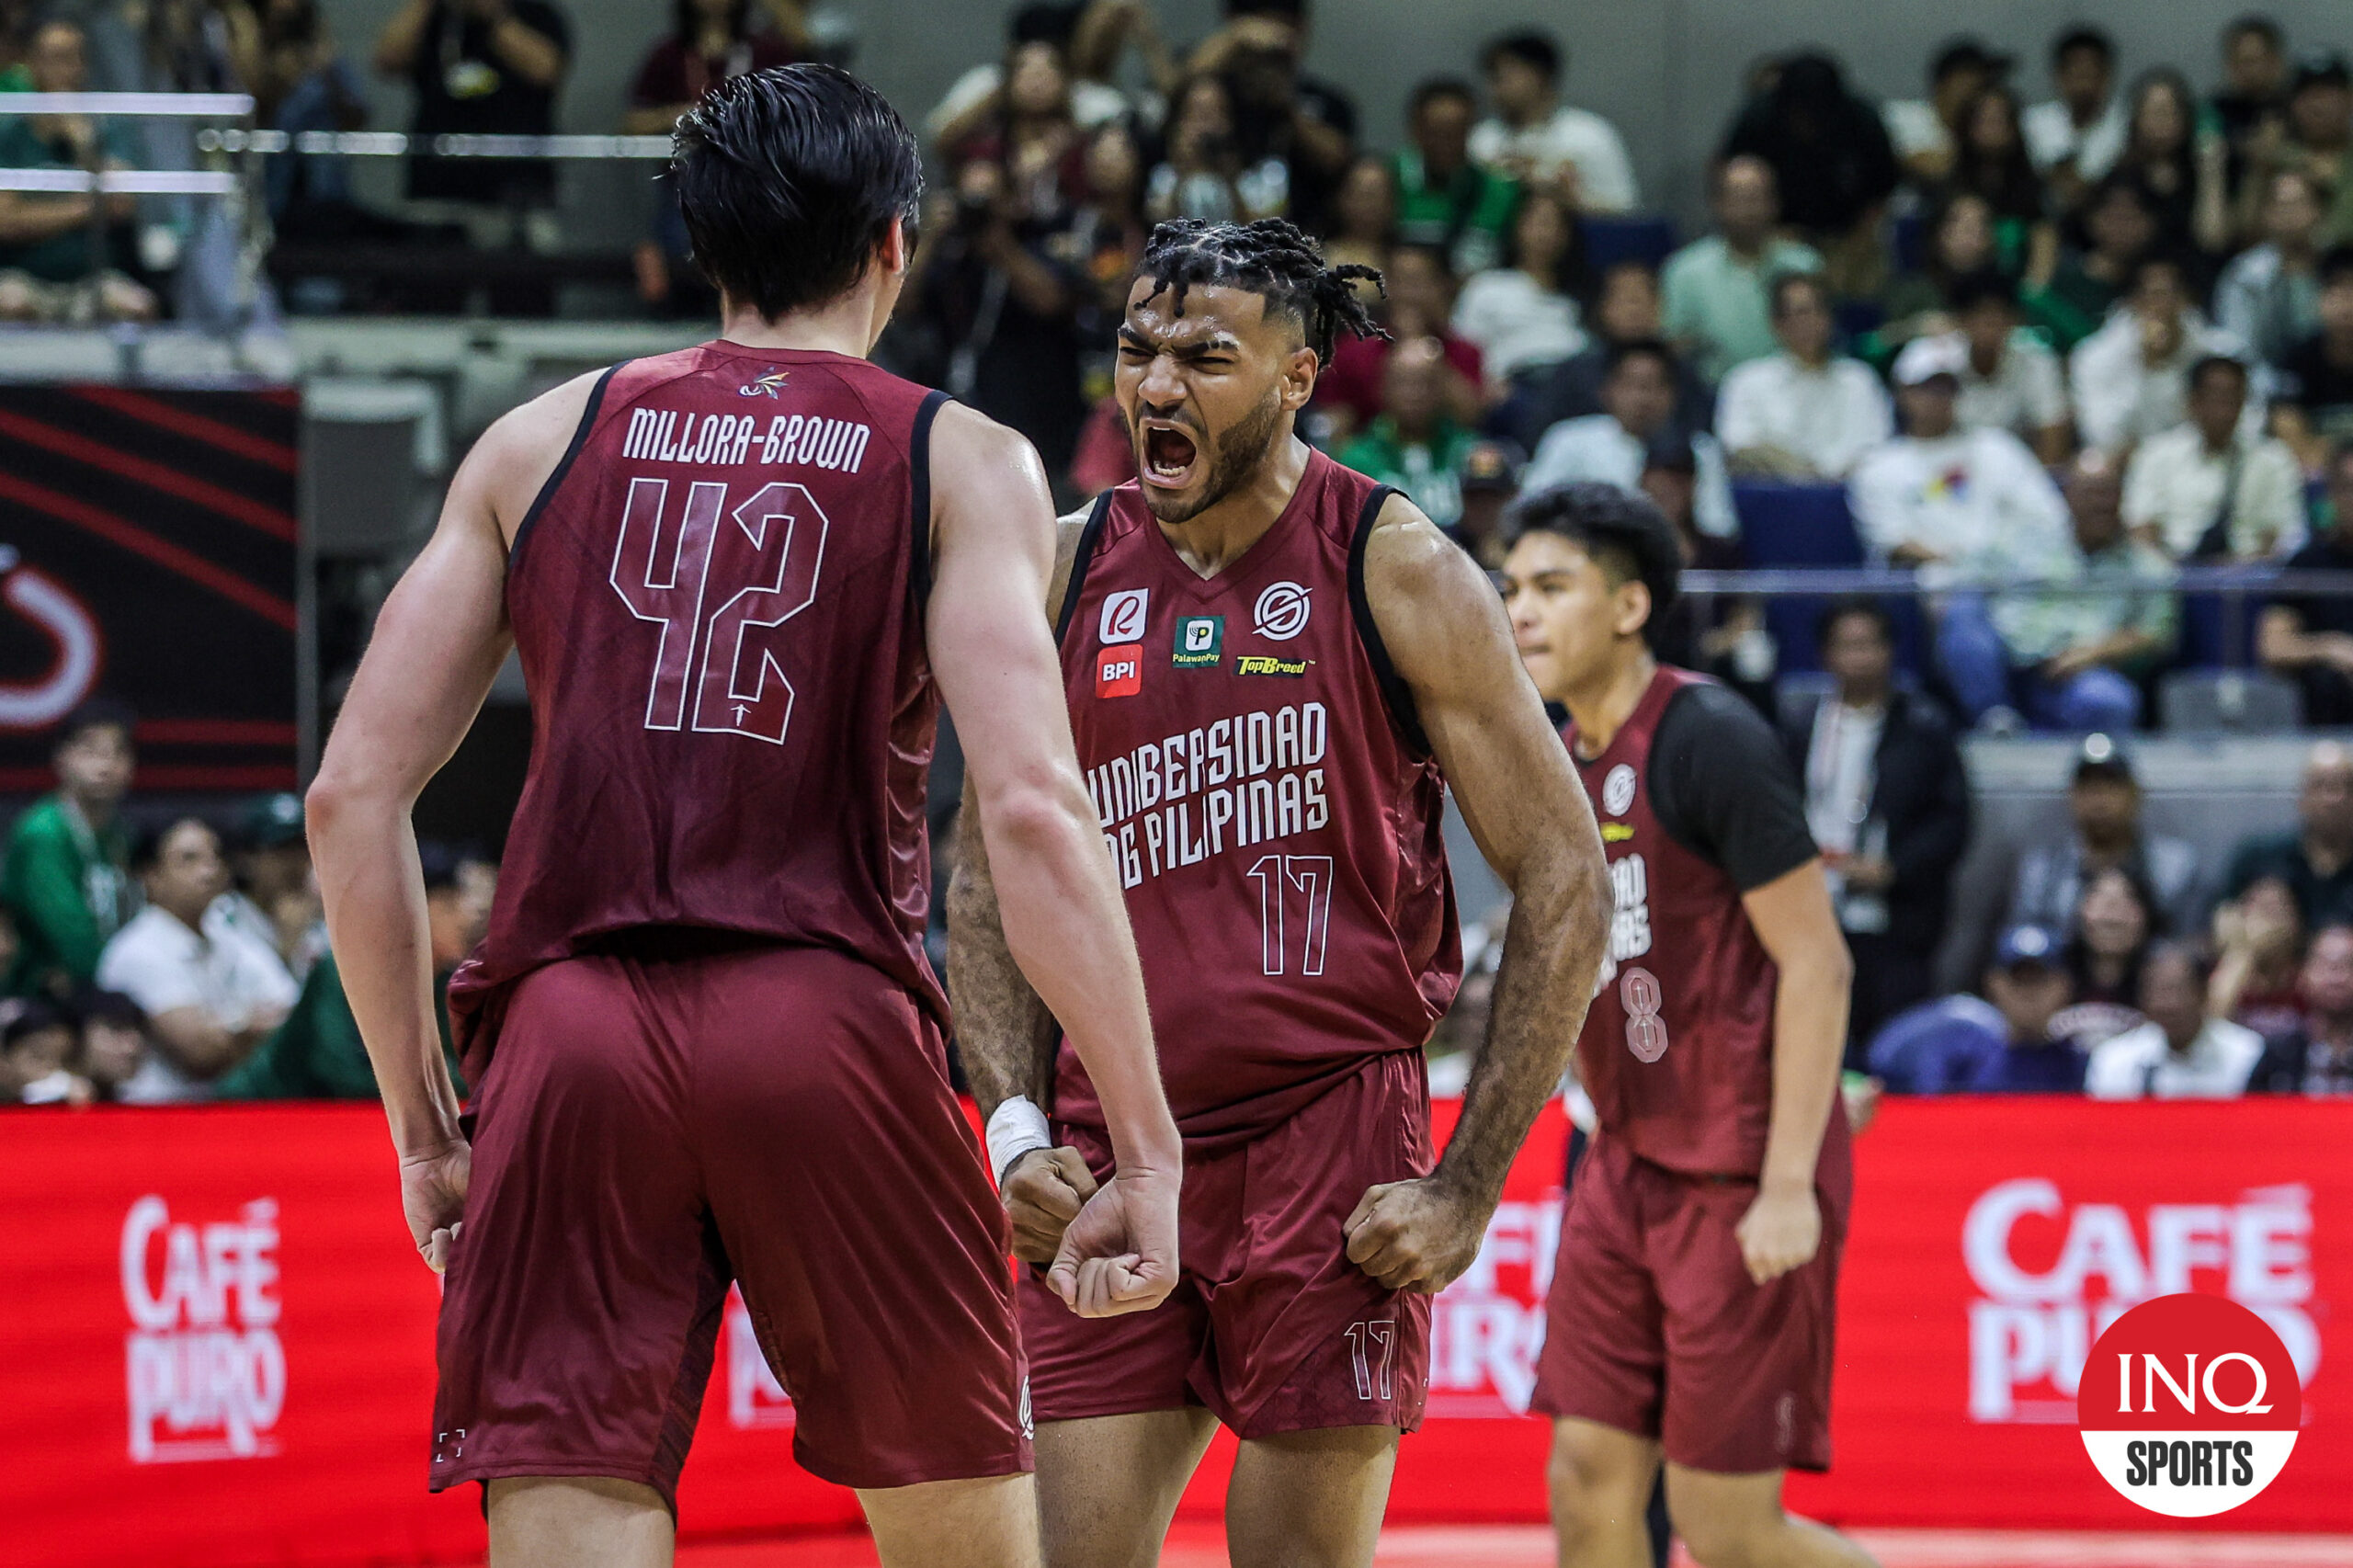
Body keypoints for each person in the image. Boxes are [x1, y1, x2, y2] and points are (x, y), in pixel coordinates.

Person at [302, 65, 1186, 1564]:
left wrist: (424, 1129)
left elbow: (348, 797)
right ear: (896, 245)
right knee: (957, 1517)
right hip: (824, 1016)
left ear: (701, 248)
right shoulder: (961, 458)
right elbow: (1032, 810)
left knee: (576, 1501)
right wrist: (1149, 1146)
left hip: (570, 1028)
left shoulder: (537, 441)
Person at [955, 218, 1609, 1568]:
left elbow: (1566, 876)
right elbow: (983, 879)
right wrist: (1015, 1126)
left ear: (1299, 375)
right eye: (1138, 351)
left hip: (1329, 1136)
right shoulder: (1066, 568)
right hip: (1111, 1135)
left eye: (1204, 355)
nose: (1155, 386)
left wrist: (1470, 1182)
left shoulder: (1397, 563)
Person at [1497, 483, 1871, 1568]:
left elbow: (1819, 961)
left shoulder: (1707, 734)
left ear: (1628, 605)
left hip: (1739, 1170)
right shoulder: (1556, 753)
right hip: (1623, 1163)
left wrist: (1790, 1183)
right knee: (1585, 1483)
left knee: (1725, 1528)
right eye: (1512, 586)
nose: (1519, 609)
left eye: (1551, 586)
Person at [1780, 600, 1971, 1063]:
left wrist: (1894, 869)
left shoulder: (1925, 727)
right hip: (1816, 914)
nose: (1859, 657)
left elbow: (1953, 820)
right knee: (1820, 1049)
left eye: (1869, 645)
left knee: (1896, 1050)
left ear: (1890, 652)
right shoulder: (1802, 725)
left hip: (1895, 923)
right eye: (1847, 646)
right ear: (1825, 655)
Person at [95, 817, 297, 1102]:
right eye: (189, 860)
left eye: (215, 857)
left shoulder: (230, 936)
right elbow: (201, 1053)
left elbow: (293, 1012)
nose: (210, 870)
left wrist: (233, 1029)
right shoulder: (136, 950)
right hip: (158, 1115)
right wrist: (249, 1023)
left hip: (229, 1108)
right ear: (151, 876)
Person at [622, 0, 800, 313]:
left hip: (757, 188)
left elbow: (796, 109)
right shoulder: (669, 54)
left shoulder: (765, 50)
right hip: (686, 187)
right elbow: (632, 123)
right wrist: (678, 115)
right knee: (682, 250)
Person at [1851, 335, 2068, 574]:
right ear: (1902, 393)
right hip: (1937, 585)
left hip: (2011, 575)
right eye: (1928, 387)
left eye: (1948, 387)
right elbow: (1893, 542)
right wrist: (1964, 565)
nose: (1939, 397)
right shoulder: (1879, 467)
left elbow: (2045, 514)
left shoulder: (1997, 446)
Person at [372, 0, 571, 243]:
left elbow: (545, 69)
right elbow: (387, 60)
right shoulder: (433, 19)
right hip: (437, 191)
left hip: (518, 195)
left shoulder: (535, 13)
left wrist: (492, 16)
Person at [0, 19, 157, 324]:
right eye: (55, 58)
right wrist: (89, 207)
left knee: (136, 307)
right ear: (32, 64)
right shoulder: (9, 133)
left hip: (98, 278)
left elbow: (123, 203)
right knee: (9, 303)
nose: (66, 70)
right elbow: (5, 222)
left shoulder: (109, 127)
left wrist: (85, 144)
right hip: (24, 279)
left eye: (75, 58)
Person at [1717, 53, 1898, 297]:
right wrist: (1770, 233)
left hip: (1849, 232)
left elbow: (1883, 188)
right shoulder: (1758, 119)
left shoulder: (1862, 120)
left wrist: (1857, 242)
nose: (1806, 124)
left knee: (1863, 283)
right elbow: (1727, 174)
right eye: (1799, 114)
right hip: (1775, 232)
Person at [1524, 340, 1736, 541]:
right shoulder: (1568, 439)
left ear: (1673, 394)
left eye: (1654, 386)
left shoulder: (1701, 449)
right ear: (1606, 391)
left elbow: (1718, 526)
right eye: (1632, 385)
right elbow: (1532, 509)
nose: (1643, 398)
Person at [1495, 260, 1714, 455]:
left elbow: (1700, 439)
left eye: (1643, 298)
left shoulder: (1681, 372)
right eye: (1625, 299)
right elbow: (1536, 438)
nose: (1634, 308)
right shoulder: (1573, 372)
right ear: (1603, 308)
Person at [2008, 733, 2203, 938]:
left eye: (2111, 788)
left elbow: (2191, 946)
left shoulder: (2174, 868)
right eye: (2089, 789)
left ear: (2135, 795)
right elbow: (2020, 948)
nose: (2099, 802)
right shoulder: (2043, 873)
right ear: (2071, 797)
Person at [2, 699, 136, 998]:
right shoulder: (44, 833)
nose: (104, 765)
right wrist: (139, 975)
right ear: (61, 759)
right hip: (34, 995)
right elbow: (73, 939)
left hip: (101, 988)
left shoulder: (121, 835)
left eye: (117, 752)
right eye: (90, 751)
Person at [1660, 155, 1824, 383]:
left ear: (1774, 203)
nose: (1748, 209)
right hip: (1713, 396)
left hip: (1798, 391)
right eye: (1738, 198)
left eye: (1757, 197)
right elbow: (1674, 349)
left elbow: (1823, 337)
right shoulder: (1684, 271)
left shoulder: (1804, 263)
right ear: (1717, 203)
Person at [2121, 354, 2302, 558]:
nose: (2225, 411)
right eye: (2216, 398)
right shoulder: (2156, 455)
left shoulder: (2273, 460)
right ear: (2193, 401)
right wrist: (2167, 571)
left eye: (2233, 398)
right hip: (2172, 573)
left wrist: (2245, 567)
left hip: (2249, 577)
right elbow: (2140, 525)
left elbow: (2283, 533)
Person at [1867, 925, 2085, 1092]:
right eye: (2017, 980)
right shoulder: (1962, 1060)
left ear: (2063, 986)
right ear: (1994, 983)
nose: (2027, 993)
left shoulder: (2079, 1068)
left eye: (2039, 980)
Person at [1716, 272, 1892, 480]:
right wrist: (1798, 470)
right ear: (1777, 323)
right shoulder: (1746, 380)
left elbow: (1876, 447)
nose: (1811, 321)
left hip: (1848, 496)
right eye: (1800, 313)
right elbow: (1738, 446)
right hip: (1775, 497)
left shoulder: (1859, 379)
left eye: (1819, 310)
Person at [2071, 256, 2250, 456]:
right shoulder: (2094, 356)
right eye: (2153, 296)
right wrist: (2148, 367)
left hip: (2204, 461)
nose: (2161, 307)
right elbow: (2103, 437)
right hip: (2128, 462)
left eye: (2170, 295)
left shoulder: (2223, 352)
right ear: (2132, 303)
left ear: (2186, 301)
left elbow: (2250, 424)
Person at [1471, 28, 1639, 213]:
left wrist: (1571, 201)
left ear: (1539, 77)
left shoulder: (1590, 134)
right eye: (1492, 78)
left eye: (1504, 77)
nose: (1495, 88)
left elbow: (1624, 210)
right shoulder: (1481, 140)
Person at [1337, 336, 1481, 531]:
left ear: (1442, 390)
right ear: (1383, 388)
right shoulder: (1356, 459)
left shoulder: (1466, 451)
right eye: (1404, 383)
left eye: (1425, 383)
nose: (1415, 394)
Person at [2086, 941, 2263, 1098]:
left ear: (2203, 993)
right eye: (2157, 992)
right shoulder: (2113, 1060)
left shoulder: (2248, 1054)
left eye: (2179, 991)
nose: (2168, 1005)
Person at [1451, 187, 1587, 392]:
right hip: (1516, 387)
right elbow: (1463, 352)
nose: (1545, 233)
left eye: (1555, 225)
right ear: (1518, 227)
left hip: (1574, 385)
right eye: (1538, 222)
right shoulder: (1486, 287)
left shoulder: (1581, 296)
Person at [2258, 437, 2353, 722]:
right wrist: (2331, 648)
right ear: (2331, 493)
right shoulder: (2306, 564)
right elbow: (2273, 647)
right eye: (2349, 488)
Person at [1932, 271, 2071, 461]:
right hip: (1952, 470)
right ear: (1960, 321)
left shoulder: (2038, 360)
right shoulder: (1936, 361)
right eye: (1979, 315)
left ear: (2015, 320)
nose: (1989, 324)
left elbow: (2052, 438)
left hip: (2021, 470)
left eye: (1998, 315)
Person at [1392, 78, 1520, 280]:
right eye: (1436, 131)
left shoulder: (1499, 192)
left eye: (1456, 131)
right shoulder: (1389, 180)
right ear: (1415, 130)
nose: (1446, 142)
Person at [2218, 739, 2353, 931]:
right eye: (2321, 786)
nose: (2335, 798)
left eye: (2347, 786)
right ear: (2302, 797)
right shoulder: (2259, 858)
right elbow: (2220, 922)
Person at [2109, 69, 2233, 262]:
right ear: (2136, 120)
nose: (2162, 122)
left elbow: (2213, 241)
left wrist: (2211, 172)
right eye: (2154, 113)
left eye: (2169, 112)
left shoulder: (2200, 169)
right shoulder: (2122, 175)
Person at [2027, 176, 2158, 352]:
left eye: (2132, 217)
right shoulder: (2065, 285)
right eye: (2115, 217)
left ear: (2149, 224)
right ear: (2093, 220)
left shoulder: (2157, 285)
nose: (2122, 228)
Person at [2214, 169, 2329, 369]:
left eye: (2299, 204)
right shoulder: (2245, 274)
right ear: (2266, 214)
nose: (2290, 215)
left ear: (2318, 210)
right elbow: (2237, 346)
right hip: (2263, 385)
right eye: (2282, 206)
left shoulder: (2339, 267)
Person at [210, 791, 326, 983]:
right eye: (281, 850)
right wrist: (286, 950)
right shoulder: (220, 921)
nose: (294, 863)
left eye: (302, 848)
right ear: (246, 858)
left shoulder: (318, 923)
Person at [1882, 37, 2013, 187]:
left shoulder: (1975, 129)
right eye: (1976, 81)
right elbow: (1927, 165)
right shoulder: (1906, 117)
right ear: (1947, 82)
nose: (1982, 91)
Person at [2023, 25, 2127, 207]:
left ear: (2108, 76)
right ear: (2059, 76)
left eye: (2091, 74)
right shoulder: (2033, 123)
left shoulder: (2126, 125)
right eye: (2077, 74)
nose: (2084, 85)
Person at [2060, 863, 2159, 1043]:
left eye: (2127, 899)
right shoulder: (2052, 974)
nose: (2112, 910)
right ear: (2081, 911)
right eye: (2100, 897)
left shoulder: (2162, 985)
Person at [2248, 922, 2353, 1093]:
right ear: (2303, 975)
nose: (2337, 977)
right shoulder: (2279, 1053)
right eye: (2325, 965)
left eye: (2349, 965)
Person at [2207, 873, 2307, 1039]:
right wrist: (2243, 952)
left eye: (2273, 912)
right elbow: (2212, 1027)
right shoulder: (2220, 972)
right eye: (2257, 911)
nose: (2263, 925)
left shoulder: (2308, 974)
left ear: (2296, 922)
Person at [2279, 245, 2353, 441]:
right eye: (2336, 291)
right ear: (2319, 297)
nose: (2347, 305)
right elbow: (2285, 422)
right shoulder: (2299, 359)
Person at [2211, 16, 2290, 191]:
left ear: (2274, 61)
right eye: (2236, 62)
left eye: (2252, 61)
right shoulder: (2217, 109)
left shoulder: (2294, 108)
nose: (2244, 70)